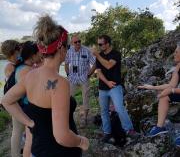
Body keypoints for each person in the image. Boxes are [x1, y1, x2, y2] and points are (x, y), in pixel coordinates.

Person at [2, 15, 89, 157]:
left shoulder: (30, 75)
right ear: (61, 48)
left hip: (38, 149)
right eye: (67, 47)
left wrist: (29, 123)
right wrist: (81, 141)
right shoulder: (60, 83)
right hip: (59, 152)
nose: (68, 51)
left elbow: (6, 100)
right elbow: (61, 136)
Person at [92, 35, 135, 143]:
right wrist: (107, 82)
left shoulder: (116, 54)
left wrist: (97, 55)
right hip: (103, 88)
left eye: (101, 44)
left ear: (107, 44)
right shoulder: (100, 55)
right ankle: (107, 133)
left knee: (120, 108)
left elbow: (108, 65)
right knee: (104, 111)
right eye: (98, 44)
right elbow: (99, 72)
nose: (99, 46)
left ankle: (129, 130)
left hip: (115, 87)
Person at [138, 43, 180, 146]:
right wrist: (152, 87)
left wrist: (172, 91)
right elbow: (171, 85)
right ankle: (160, 127)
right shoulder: (178, 67)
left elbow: (172, 89)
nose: (174, 54)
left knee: (168, 93)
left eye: (177, 52)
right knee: (164, 97)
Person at [65, 35, 96, 126]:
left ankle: (84, 118)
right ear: (72, 43)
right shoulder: (69, 51)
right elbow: (66, 64)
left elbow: (95, 63)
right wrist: (68, 75)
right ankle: (68, 116)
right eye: (76, 42)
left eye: (79, 41)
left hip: (84, 77)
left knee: (85, 97)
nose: (78, 43)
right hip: (73, 78)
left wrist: (89, 74)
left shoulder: (86, 50)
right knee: (68, 98)